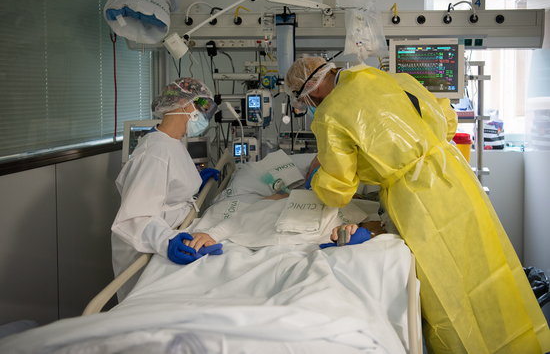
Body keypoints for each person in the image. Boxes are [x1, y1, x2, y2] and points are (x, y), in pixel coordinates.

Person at [284, 57, 550, 353]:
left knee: (447, 285)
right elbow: (446, 122)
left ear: (310, 90)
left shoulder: (330, 114)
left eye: (303, 99)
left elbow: (338, 190)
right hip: (454, 178)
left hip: (417, 199)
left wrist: (316, 178)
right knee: (487, 264)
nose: (307, 104)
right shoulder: (391, 78)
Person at [111, 77, 221, 299]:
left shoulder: (172, 142)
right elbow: (135, 217)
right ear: (185, 105)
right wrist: (166, 241)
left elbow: (168, 189)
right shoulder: (154, 152)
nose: (205, 116)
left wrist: (196, 184)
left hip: (177, 227)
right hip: (145, 248)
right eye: (203, 107)